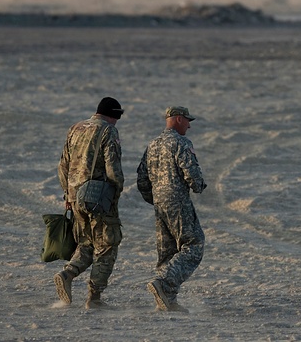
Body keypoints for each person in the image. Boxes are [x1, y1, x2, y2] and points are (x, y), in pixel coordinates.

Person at [54, 96, 125, 309]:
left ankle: (67, 273)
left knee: (86, 242)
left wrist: (68, 195)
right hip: (98, 198)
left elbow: (63, 165)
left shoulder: (75, 128)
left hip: (75, 198)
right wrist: (117, 191)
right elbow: (113, 168)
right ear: (114, 115)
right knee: (107, 244)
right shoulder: (108, 131)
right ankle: (94, 298)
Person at [137, 105, 207, 312]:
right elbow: (190, 170)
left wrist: (154, 198)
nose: (189, 126)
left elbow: (141, 178)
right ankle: (163, 282)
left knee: (167, 251)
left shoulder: (153, 144)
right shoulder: (181, 142)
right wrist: (198, 185)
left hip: (159, 203)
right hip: (177, 201)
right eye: (187, 121)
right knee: (194, 245)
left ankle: (167, 300)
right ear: (178, 119)